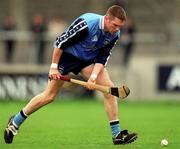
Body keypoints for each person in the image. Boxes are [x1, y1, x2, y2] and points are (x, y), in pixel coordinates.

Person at [4, 5, 137, 145]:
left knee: (109, 89)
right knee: (48, 96)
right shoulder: (87, 24)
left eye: (120, 26)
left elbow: (102, 58)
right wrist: (54, 68)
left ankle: (117, 135)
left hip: (88, 61)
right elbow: (60, 42)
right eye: (115, 25)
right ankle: (14, 122)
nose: (117, 29)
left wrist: (92, 78)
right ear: (106, 19)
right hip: (67, 56)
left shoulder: (115, 34)